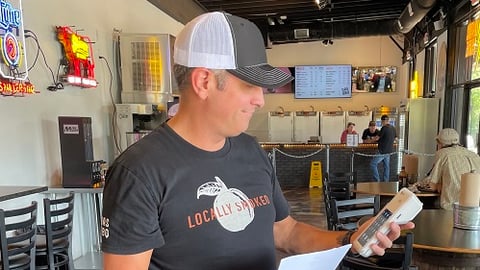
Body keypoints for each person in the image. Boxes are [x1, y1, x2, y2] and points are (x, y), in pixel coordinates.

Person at [101, 12, 414, 270]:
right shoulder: (138, 173)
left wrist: (350, 239)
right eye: (250, 85)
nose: (260, 100)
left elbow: (286, 231)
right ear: (204, 82)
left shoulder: (251, 151)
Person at [423, 128, 480, 210]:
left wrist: (439, 185)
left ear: (440, 143)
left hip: (452, 207)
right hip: (475, 207)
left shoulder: (442, 154)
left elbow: (433, 185)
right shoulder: (474, 155)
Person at [370, 115, 397, 181]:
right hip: (389, 151)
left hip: (382, 151)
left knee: (373, 164)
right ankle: (385, 182)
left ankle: (377, 181)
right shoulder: (393, 128)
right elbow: (396, 139)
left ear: (383, 121)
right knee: (386, 167)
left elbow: (377, 138)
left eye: (382, 121)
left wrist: (371, 140)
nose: (382, 123)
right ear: (388, 120)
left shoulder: (384, 128)